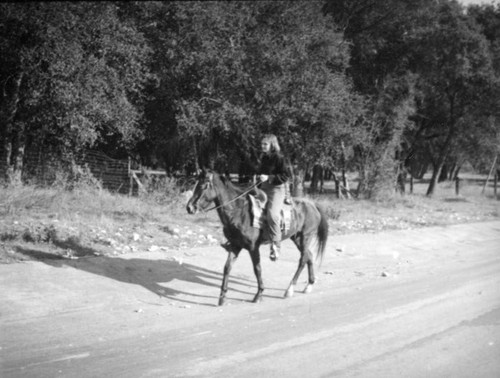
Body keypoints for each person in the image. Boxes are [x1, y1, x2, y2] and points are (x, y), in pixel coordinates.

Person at [256, 134, 291, 261]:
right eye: (262, 144)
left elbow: (286, 176)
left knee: (272, 215)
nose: (262, 146)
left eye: (265, 144)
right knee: (248, 207)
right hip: (263, 188)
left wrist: (269, 178)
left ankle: (276, 245)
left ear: (272, 145)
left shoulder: (279, 157)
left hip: (277, 190)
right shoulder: (264, 157)